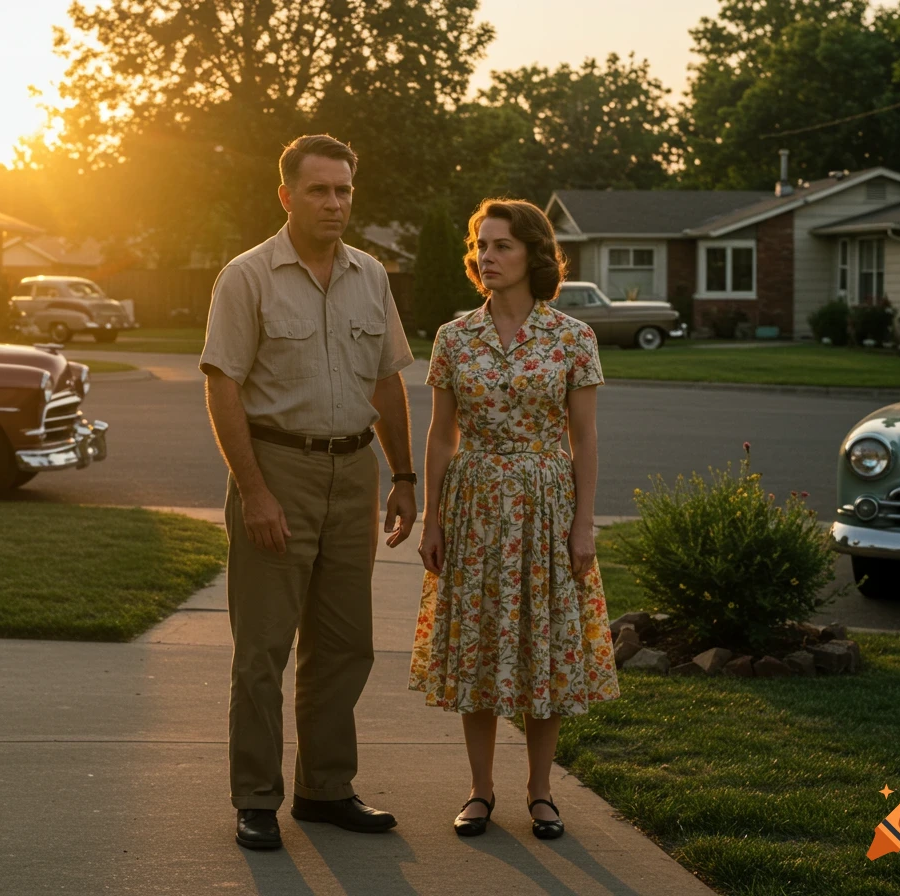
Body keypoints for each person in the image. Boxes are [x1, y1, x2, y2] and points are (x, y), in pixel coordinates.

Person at [200, 134, 418, 851]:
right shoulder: (247, 277)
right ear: (286, 195)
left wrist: (404, 476)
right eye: (319, 190)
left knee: (346, 644)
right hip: (277, 469)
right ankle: (256, 797)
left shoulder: (371, 276)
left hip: (354, 473)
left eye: (344, 189)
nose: (334, 203)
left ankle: (326, 788)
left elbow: (385, 380)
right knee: (262, 650)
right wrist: (254, 492)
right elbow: (223, 387)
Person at [409, 198, 620, 840]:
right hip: (473, 507)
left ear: (533, 253)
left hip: (546, 506)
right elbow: (441, 435)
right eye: (481, 245)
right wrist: (432, 519)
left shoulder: (572, 337)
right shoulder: (454, 337)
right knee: (478, 645)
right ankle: (480, 790)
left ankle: (540, 791)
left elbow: (584, 438)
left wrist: (583, 525)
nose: (487, 257)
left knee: (541, 646)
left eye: (502, 245)